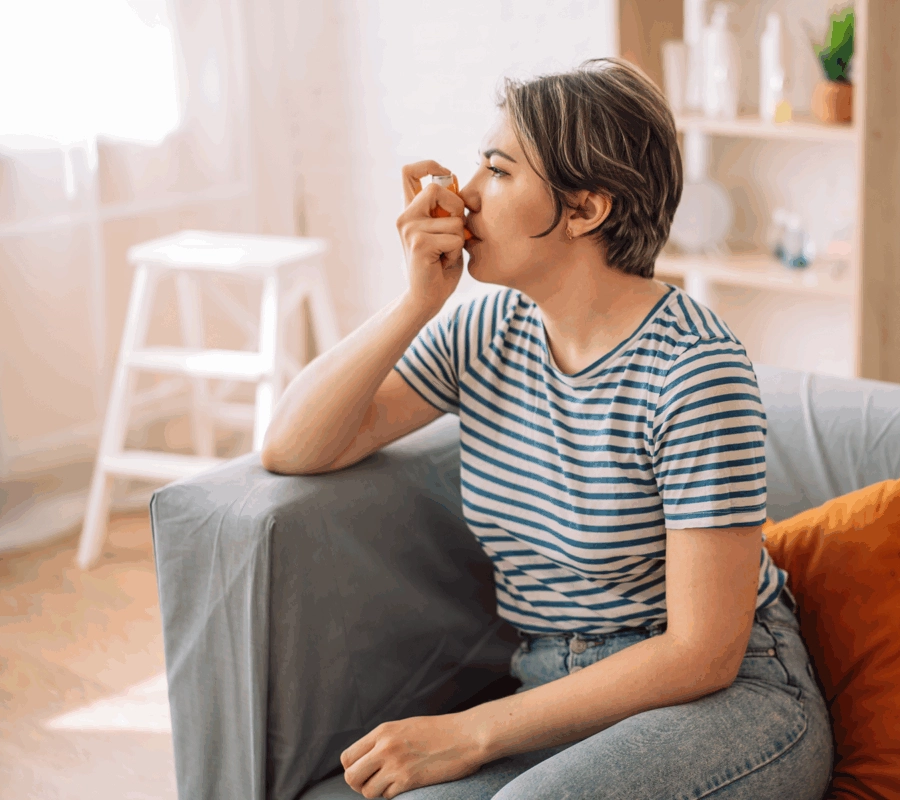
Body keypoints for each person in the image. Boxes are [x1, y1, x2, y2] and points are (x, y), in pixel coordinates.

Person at [261, 57, 833, 800]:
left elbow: (702, 653)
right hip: (556, 697)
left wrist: (469, 731)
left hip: (733, 702)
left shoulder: (694, 370)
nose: (462, 197)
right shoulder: (487, 332)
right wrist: (414, 305)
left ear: (584, 210)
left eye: (497, 172)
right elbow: (292, 446)